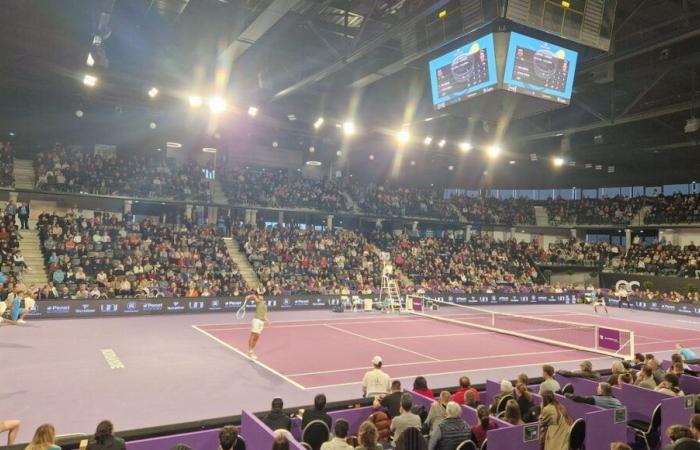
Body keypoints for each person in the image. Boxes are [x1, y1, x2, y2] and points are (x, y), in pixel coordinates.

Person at [247, 290, 270, 359]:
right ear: (258, 296)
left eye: (262, 295)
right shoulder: (258, 301)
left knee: (257, 337)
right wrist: (249, 296)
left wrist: (268, 321)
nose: (261, 296)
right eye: (259, 295)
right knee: (253, 335)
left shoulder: (265, 305)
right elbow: (254, 296)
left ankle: (251, 350)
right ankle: (250, 351)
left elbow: (265, 315)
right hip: (256, 320)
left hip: (261, 322)